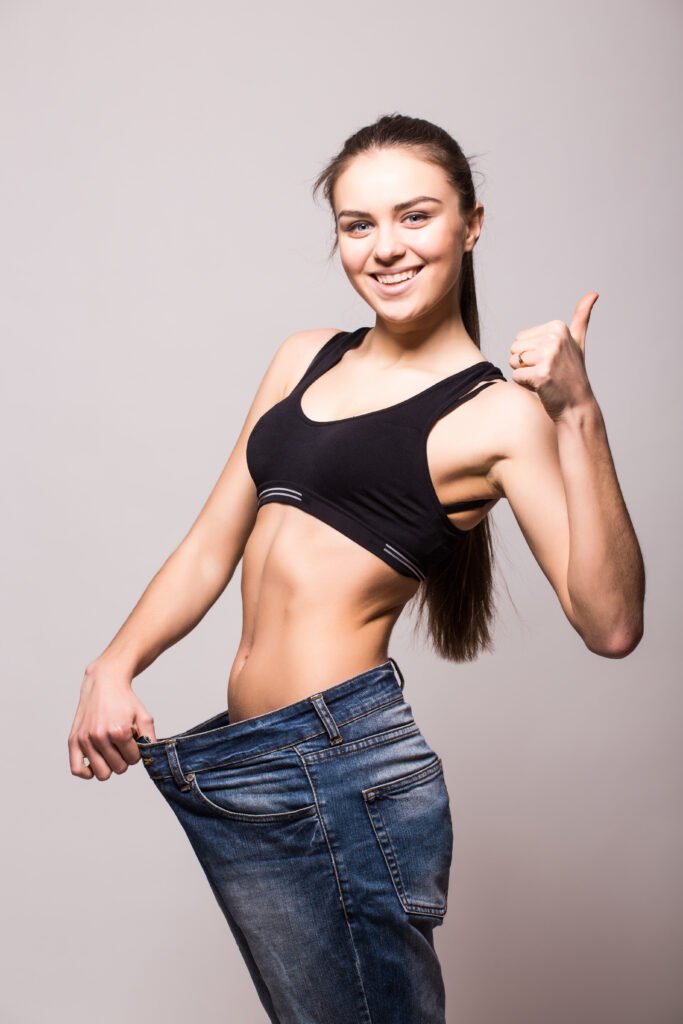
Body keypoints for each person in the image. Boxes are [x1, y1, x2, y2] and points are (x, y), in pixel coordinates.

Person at [68, 113, 645, 1023]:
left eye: (414, 217)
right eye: (356, 224)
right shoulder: (305, 358)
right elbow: (210, 543)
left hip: (340, 774)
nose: (385, 248)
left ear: (471, 223)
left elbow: (609, 623)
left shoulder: (497, 415)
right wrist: (113, 663)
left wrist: (578, 416)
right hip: (250, 763)